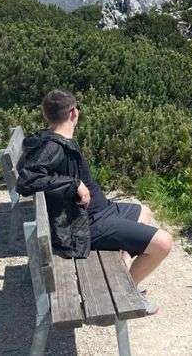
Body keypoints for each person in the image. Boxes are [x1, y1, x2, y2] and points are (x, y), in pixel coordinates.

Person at [17, 90, 172, 314]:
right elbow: (26, 180)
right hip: (86, 224)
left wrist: (73, 183)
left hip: (100, 211)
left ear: (46, 115)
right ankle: (125, 292)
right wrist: (73, 184)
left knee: (144, 212)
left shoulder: (53, 139)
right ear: (73, 113)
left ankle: (126, 279)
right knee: (164, 243)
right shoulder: (54, 147)